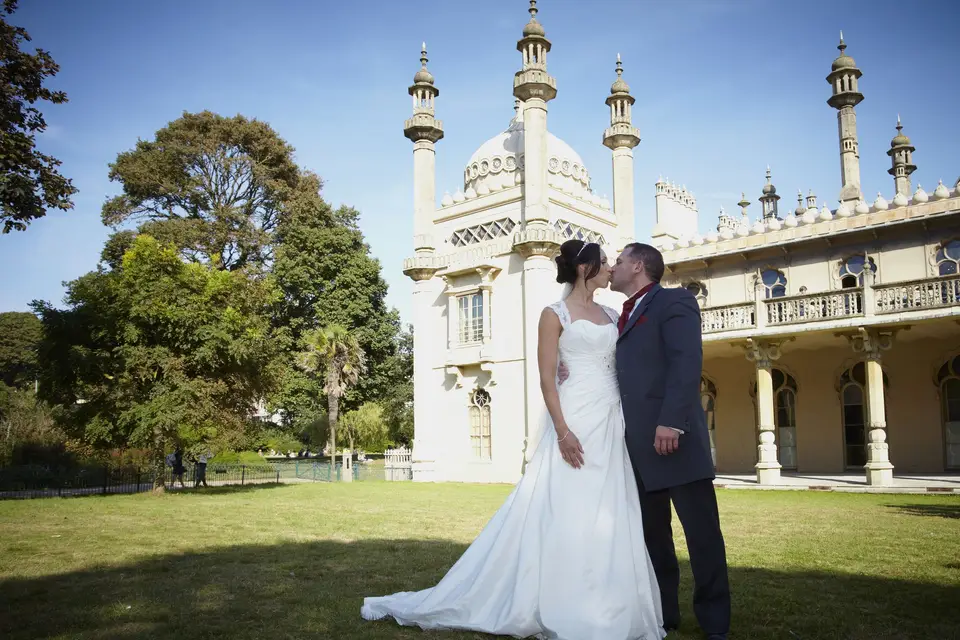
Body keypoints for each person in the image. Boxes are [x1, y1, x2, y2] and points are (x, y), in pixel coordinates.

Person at [361, 239, 666, 639]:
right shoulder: (554, 314)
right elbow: (546, 379)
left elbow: (626, 362)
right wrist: (562, 431)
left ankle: (608, 599)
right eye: (605, 262)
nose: (611, 268)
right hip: (574, 417)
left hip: (610, 417)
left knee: (609, 507)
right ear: (584, 268)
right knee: (569, 503)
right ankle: (558, 595)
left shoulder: (613, 314)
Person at [606, 242, 731, 640]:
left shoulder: (675, 301)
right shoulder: (620, 315)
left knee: (702, 536)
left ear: (638, 266)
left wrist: (672, 423)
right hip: (637, 447)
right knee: (654, 538)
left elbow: (686, 361)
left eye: (619, 261)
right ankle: (663, 614)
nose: (612, 267)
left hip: (675, 441)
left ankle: (715, 623)